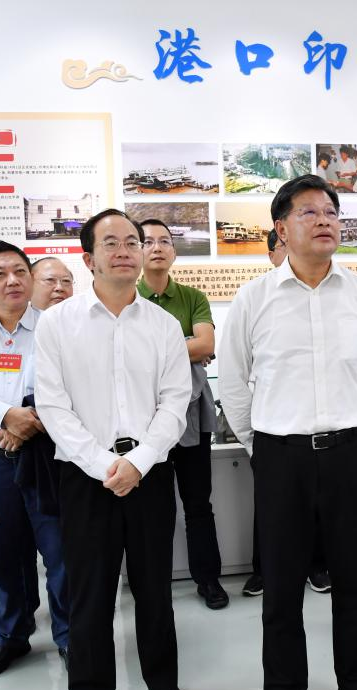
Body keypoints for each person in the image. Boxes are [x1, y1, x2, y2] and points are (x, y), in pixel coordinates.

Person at [220, 174, 357, 690]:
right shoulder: (254, 299)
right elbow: (234, 383)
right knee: (281, 589)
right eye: (309, 212)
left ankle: (356, 687)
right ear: (281, 227)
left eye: (330, 211)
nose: (324, 221)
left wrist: (354, 433)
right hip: (282, 458)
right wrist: (263, 446)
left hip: (352, 454)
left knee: (355, 581)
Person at [35, 208, 194, 690]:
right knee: (90, 592)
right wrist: (105, 464)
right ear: (89, 258)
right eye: (112, 243)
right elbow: (53, 407)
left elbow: (175, 400)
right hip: (85, 478)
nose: (126, 250)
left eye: (133, 241)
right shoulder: (58, 324)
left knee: (155, 588)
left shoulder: (163, 325)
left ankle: (164, 685)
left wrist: (140, 461)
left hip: (149, 473)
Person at [0, 240, 70, 679]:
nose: (12, 281)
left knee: (61, 551)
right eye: (0, 274)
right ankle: (10, 635)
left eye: (19, 271)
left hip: (47, 456)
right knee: (0, 553)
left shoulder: (56, 328)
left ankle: (70, 636)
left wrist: (28, 420)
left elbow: (70, 389)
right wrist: (5, 415)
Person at [136, 219, 228, 610]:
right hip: (144, 420)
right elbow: (129, 353)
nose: (157, 247)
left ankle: (208, 579)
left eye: (165, 241)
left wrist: (158, 349)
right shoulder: (129, 298)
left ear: (174, 251)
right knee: (153, 510)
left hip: (191, 416)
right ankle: (152, 586)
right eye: (147, 241)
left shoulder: (192, 297)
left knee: (198, 503)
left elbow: (206, 344)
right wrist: (185, 344)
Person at [240, 230, 332, 598]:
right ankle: (263, 570)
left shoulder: (336, 296)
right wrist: (253, 440)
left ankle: (317, 566)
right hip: (275, 432)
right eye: (283, 245)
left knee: (320, 509)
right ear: (273, 253)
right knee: (271, 513)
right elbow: (235, 375)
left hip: (325, 431)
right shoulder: (257, 297)